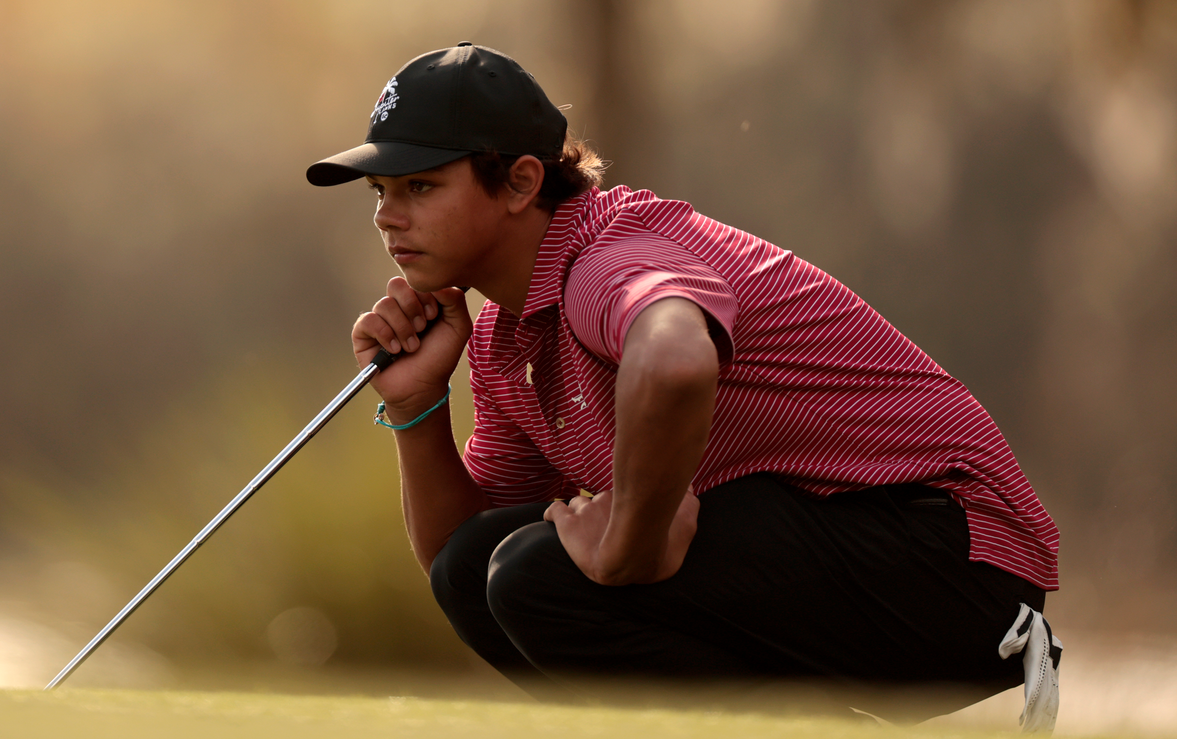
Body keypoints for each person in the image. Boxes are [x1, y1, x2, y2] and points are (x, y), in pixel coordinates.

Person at [307, 43, 1062, 728]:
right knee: (484, 568)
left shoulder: (608, 257)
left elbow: (675, 361)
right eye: (380, 191)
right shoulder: (508, 336)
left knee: (535, 576)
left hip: (959, 559)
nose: (387, 217)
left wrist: (627, 542)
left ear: (520, 181)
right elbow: (453, 560)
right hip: (860, 556)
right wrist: (415, 406)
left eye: (419, 185)